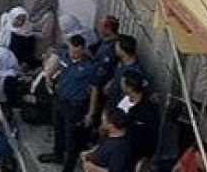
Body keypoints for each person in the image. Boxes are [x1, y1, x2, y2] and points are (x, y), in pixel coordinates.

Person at [38, 35, 101, 172]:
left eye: (77, 52)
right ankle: (57, 154)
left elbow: (95, 90)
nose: (74, 55)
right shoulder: (65, 56)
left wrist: (90, 113)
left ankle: (68, 167)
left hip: (75, 105)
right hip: (59, 100)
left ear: (83, 49)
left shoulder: (89, 67)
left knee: (71, 138)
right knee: (58, 130)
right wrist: (49, 75)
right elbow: (56, 61)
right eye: (72, 51)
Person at [115, 72, 158, 170]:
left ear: (129, 88)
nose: (121, 85)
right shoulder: (125, 100)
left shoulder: (147, 110)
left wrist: (146, 157)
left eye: (123, 83)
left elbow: (152, 134)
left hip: (136, 154)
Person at [82, 108, 134, 172]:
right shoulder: (108, 135)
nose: (101, 123)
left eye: (103, 121)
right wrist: (90, 153)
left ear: (111, 125)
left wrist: (93, 168)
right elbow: (99, 147)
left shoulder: (120, 148)